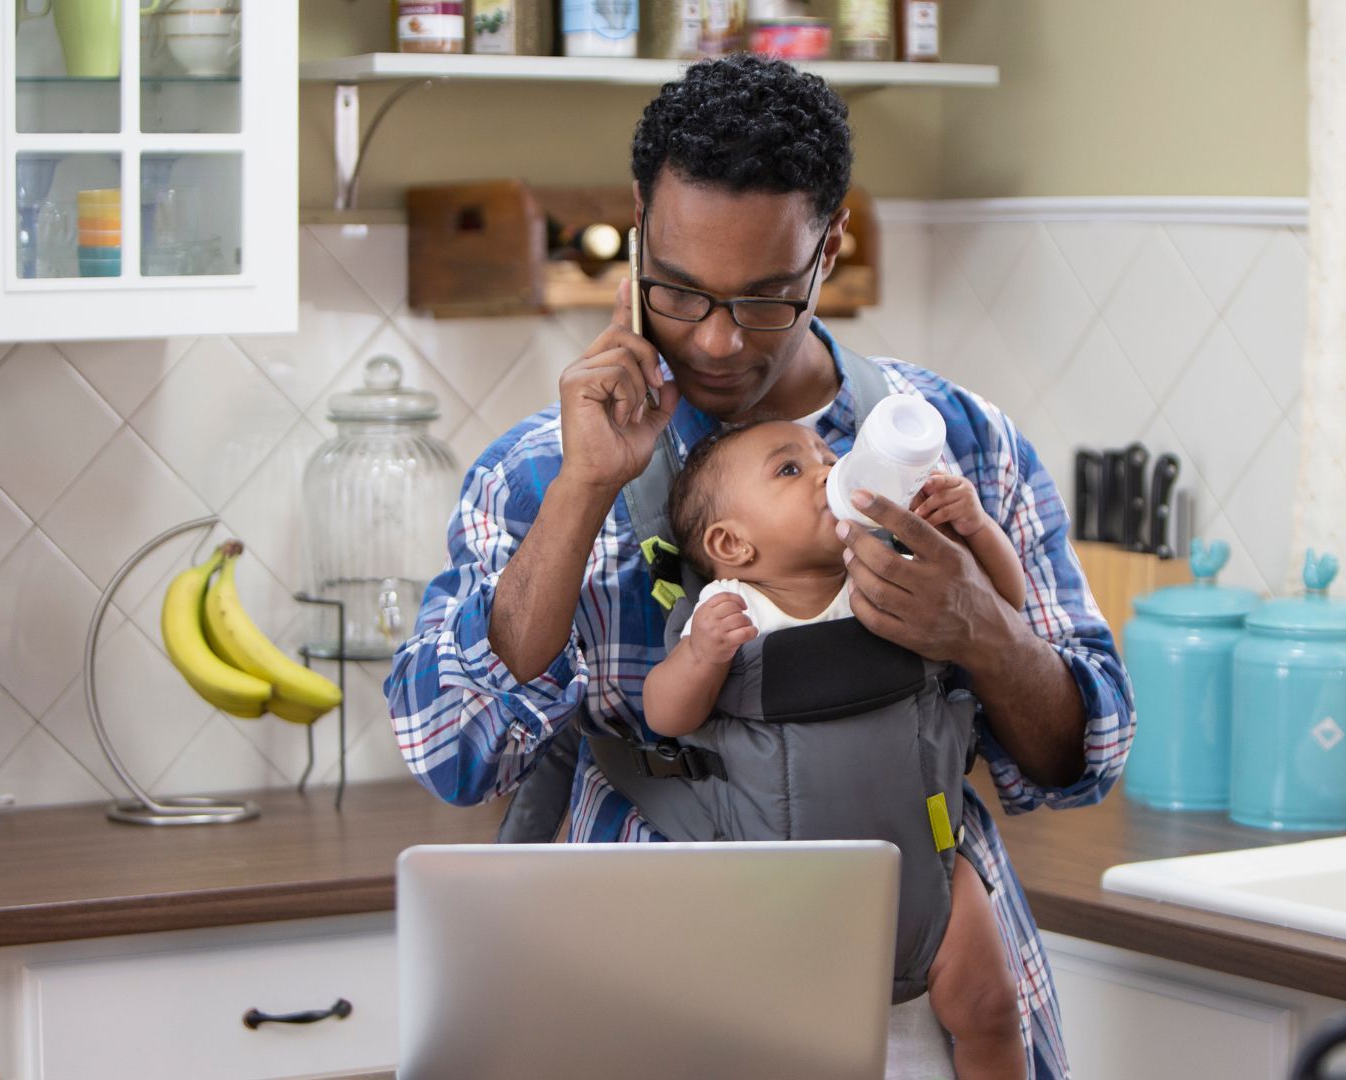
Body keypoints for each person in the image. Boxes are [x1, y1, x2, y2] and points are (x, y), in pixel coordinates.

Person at [385, 53, 1135, 1079]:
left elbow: (1079, 763)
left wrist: (984, 632)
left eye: (767, 298)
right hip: (645, 1000)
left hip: (930, 992)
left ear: (830, 248)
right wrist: (583, 491)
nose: (720, 340)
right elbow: (452, 754)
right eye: (680, 292)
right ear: (639, 237)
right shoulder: (539, 472)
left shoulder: (955, 440)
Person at [644, 418, 1029, 1079]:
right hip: (789, 891)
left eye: (828, 455)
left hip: (930, 856)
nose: (829, 470)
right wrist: (702, 655)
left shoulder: (890, 576)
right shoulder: (731, 609)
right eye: (790, 470)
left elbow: (1002, 609)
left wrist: (974, 531)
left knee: (990, 1008)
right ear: (731, 543)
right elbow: (666, 715)